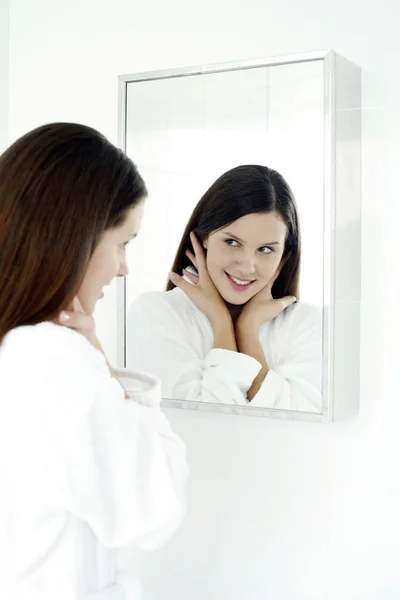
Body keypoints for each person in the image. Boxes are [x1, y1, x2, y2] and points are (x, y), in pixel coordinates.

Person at [0, 123, 188, 600]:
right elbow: (155, 504)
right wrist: (96, 358)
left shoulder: (21, 351)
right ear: (75, 236)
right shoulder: (51, 359)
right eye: (123, 242)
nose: (125, 267)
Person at [127, 165, 323, 412]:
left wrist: (247, 328)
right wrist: (220, 321)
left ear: (284, 256)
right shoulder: (156, 313)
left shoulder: (307, 324)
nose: (246, 267)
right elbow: (207, 424)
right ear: (204, 237)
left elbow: (299, 426)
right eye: (232, 242)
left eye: (265, 249)